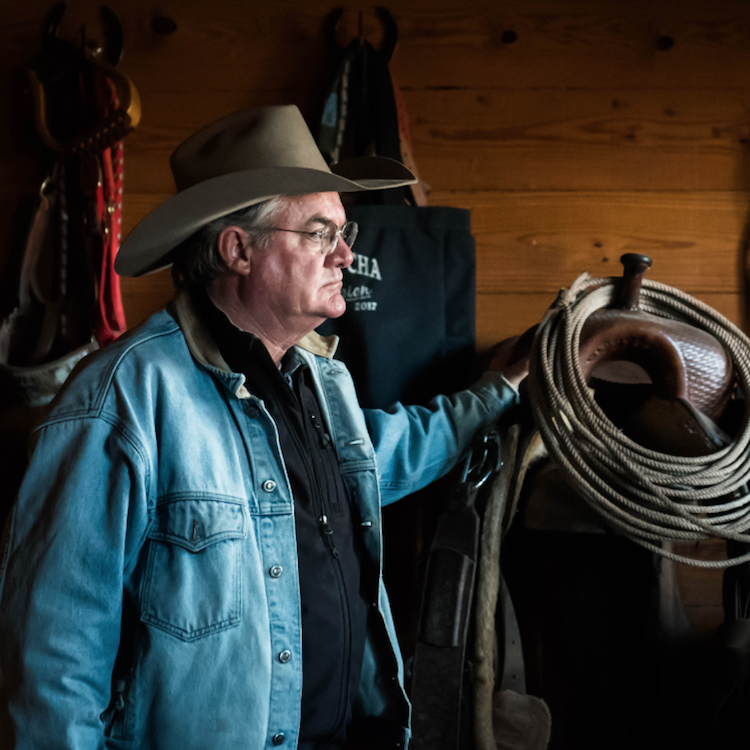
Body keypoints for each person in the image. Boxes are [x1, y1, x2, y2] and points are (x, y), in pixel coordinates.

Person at [0, 106, 528, 750]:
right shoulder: (120, 403)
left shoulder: (320, 381)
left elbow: (379, 461)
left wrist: (498, 391)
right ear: (238, 249)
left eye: (343, 229)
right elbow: (55, 662)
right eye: (318, 232)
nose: (345, 254)